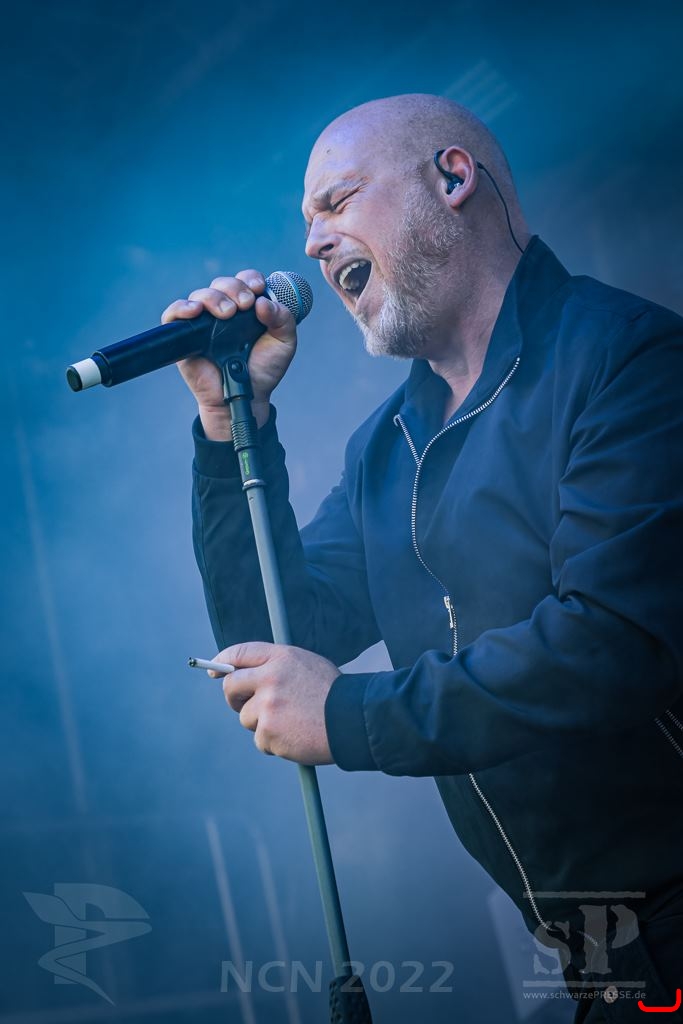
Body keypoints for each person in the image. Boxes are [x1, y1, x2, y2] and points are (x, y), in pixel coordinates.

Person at [161, 95, 683, 1021]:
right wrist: (230, 420)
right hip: (599, 959)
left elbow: (609, 643)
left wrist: (350, 715)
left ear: (451, 178)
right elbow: (275, 636)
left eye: (337, 202)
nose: (312, 243)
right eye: (306, 222)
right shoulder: (386, 446)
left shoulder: (629, 360)